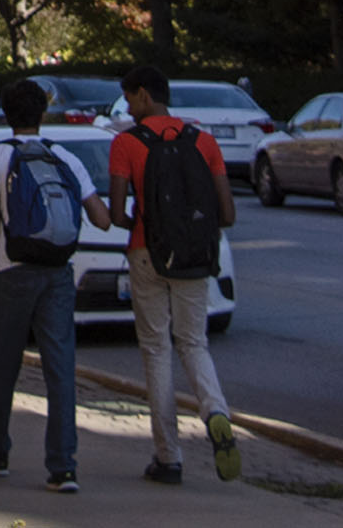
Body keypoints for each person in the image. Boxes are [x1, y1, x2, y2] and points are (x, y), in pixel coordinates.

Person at [0, 76, 110, 495]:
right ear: (42, 114)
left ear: (6, 115)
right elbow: (100, 218)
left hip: (11, 271)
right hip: (58, 274)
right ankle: (63, 466)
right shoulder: (64, 157)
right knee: (60, 369)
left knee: (5, 365)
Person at [108, 65, 241, 486]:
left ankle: (169, 457)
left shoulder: (126, 144)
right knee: (193, 341)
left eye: (130, 100)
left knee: (156, 349)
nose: (128, 109)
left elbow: (115, 214)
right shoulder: (203, 141)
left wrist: (138, 221)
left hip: (147, 253)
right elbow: (228, 214)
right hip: (194, 257)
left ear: (144, 95)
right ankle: (216, 411)